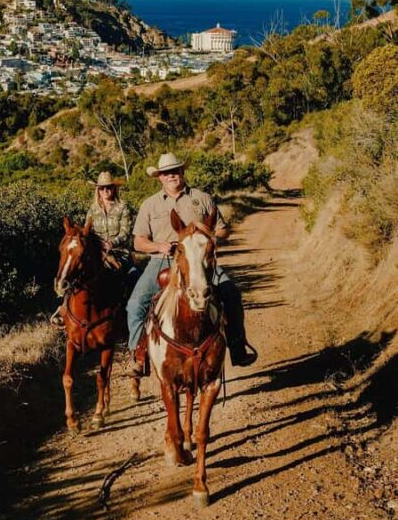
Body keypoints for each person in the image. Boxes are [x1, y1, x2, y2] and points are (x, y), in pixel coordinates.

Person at [125, 152, 258, 374]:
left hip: (199, 262)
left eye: (175, 171)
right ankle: (138, 356)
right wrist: (158, 246)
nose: (171, 176)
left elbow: (223, 228)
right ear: (159, 177)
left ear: (182, 172)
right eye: (166, 173)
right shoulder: (149, 205)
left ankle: (237, 346)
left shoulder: (202, 197)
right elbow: (138, 241)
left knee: (231, 293)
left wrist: (212, 239)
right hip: (162, 261)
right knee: (135, 304)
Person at [50, 171, 133, 325]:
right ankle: (64, 308)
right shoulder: (93, 210)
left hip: (119, 251)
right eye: (102, 188)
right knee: (79, 271)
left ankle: (125, 309)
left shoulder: (123, 208)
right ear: (98, 190)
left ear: (114, 189)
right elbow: (87, 232)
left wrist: (112, 243)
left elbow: (126, 232)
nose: (105, 191)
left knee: (127, 276)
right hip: (97, 250)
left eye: (108, 187)